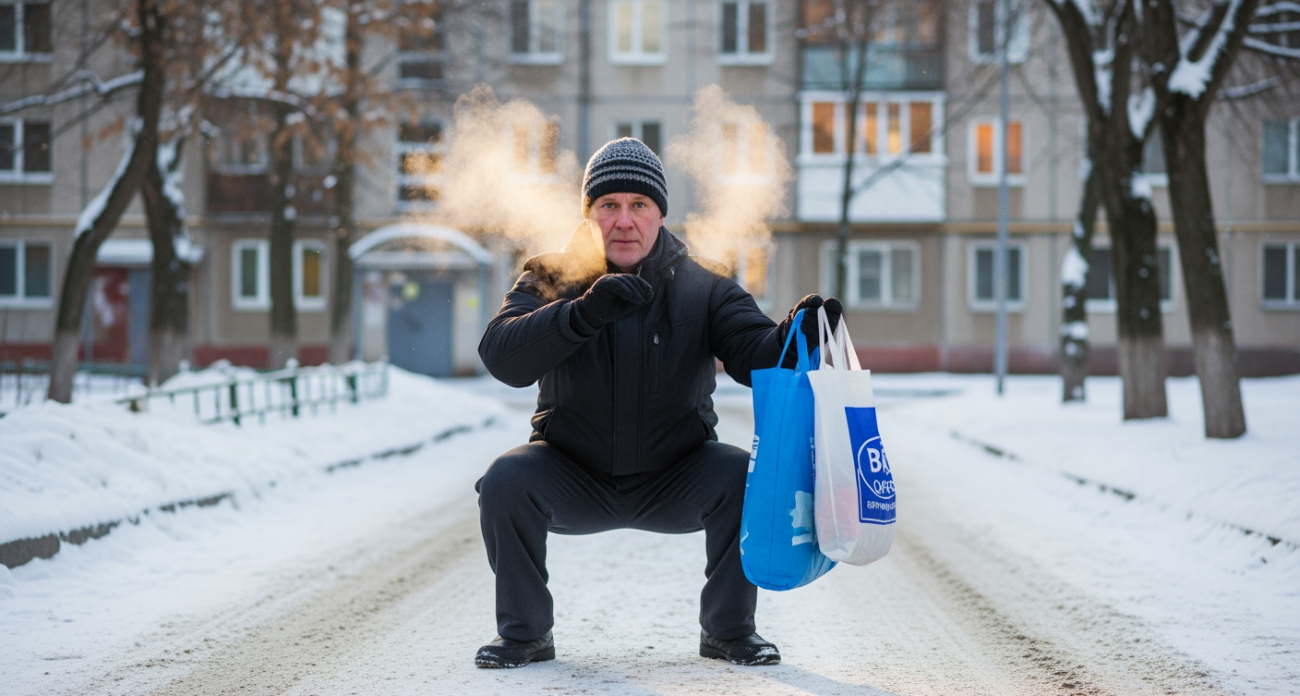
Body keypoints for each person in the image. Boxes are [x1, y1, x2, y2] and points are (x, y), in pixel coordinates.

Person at [474, 137, 840, 668]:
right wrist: (582, 313)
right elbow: (502, 356)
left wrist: (797, 337)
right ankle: (525, 634)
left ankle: (729, 631)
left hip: (678, 475)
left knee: (744, 474)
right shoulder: (550, 277)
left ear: (660, 215)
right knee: (506, 480)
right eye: (609, 206)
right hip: (572, 473)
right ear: (590, 214)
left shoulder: (705, 284)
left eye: (638, 205)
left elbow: (753, 353)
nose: (624, 220)